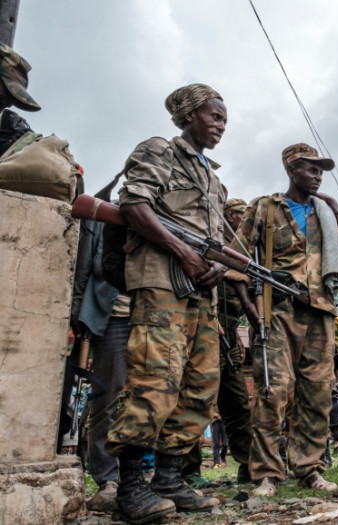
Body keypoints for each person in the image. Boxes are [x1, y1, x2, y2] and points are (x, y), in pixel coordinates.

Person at [106, 83, 228, 522]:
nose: (221, 124)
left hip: (200, 293)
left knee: (200, 385)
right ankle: (132, 486)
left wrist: (212, 267)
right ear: (188, 116)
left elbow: (211, 246)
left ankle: (169, 478)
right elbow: (135, 204)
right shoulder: (160, 151)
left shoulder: (214, 177)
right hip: (160, 282)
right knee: (155, 380)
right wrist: (185, 253)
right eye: (214, 116)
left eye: (224, 119)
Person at [231, 143, 338, 496]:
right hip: (278, 313)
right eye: (311, 169)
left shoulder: (324, 212)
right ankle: (268, 474)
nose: (318, 175)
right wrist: (252, 311)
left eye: (321, 170)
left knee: (318, 395)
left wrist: (334, 206)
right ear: (291, 170)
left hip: (320, 313)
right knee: (272, 392)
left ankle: (309, 468)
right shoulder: (265, 207)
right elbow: (237, 259)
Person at [181, 197, 255, 487]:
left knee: (237, 401)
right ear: (225, 216)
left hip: (228, 335)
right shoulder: (207, 242)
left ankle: (249, 465)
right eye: (237, 214)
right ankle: (188, 471)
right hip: (198, 330)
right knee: (194, 400)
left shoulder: (241, 253)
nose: (241, 220)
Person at [70, 175, 130, 513]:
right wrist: (79, 317)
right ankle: (107, 479)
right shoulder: (106, 213)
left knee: (151, 396)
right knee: (108, 397)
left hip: (155, 318)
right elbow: (86, 267)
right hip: (113, 318)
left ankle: (139, 474)